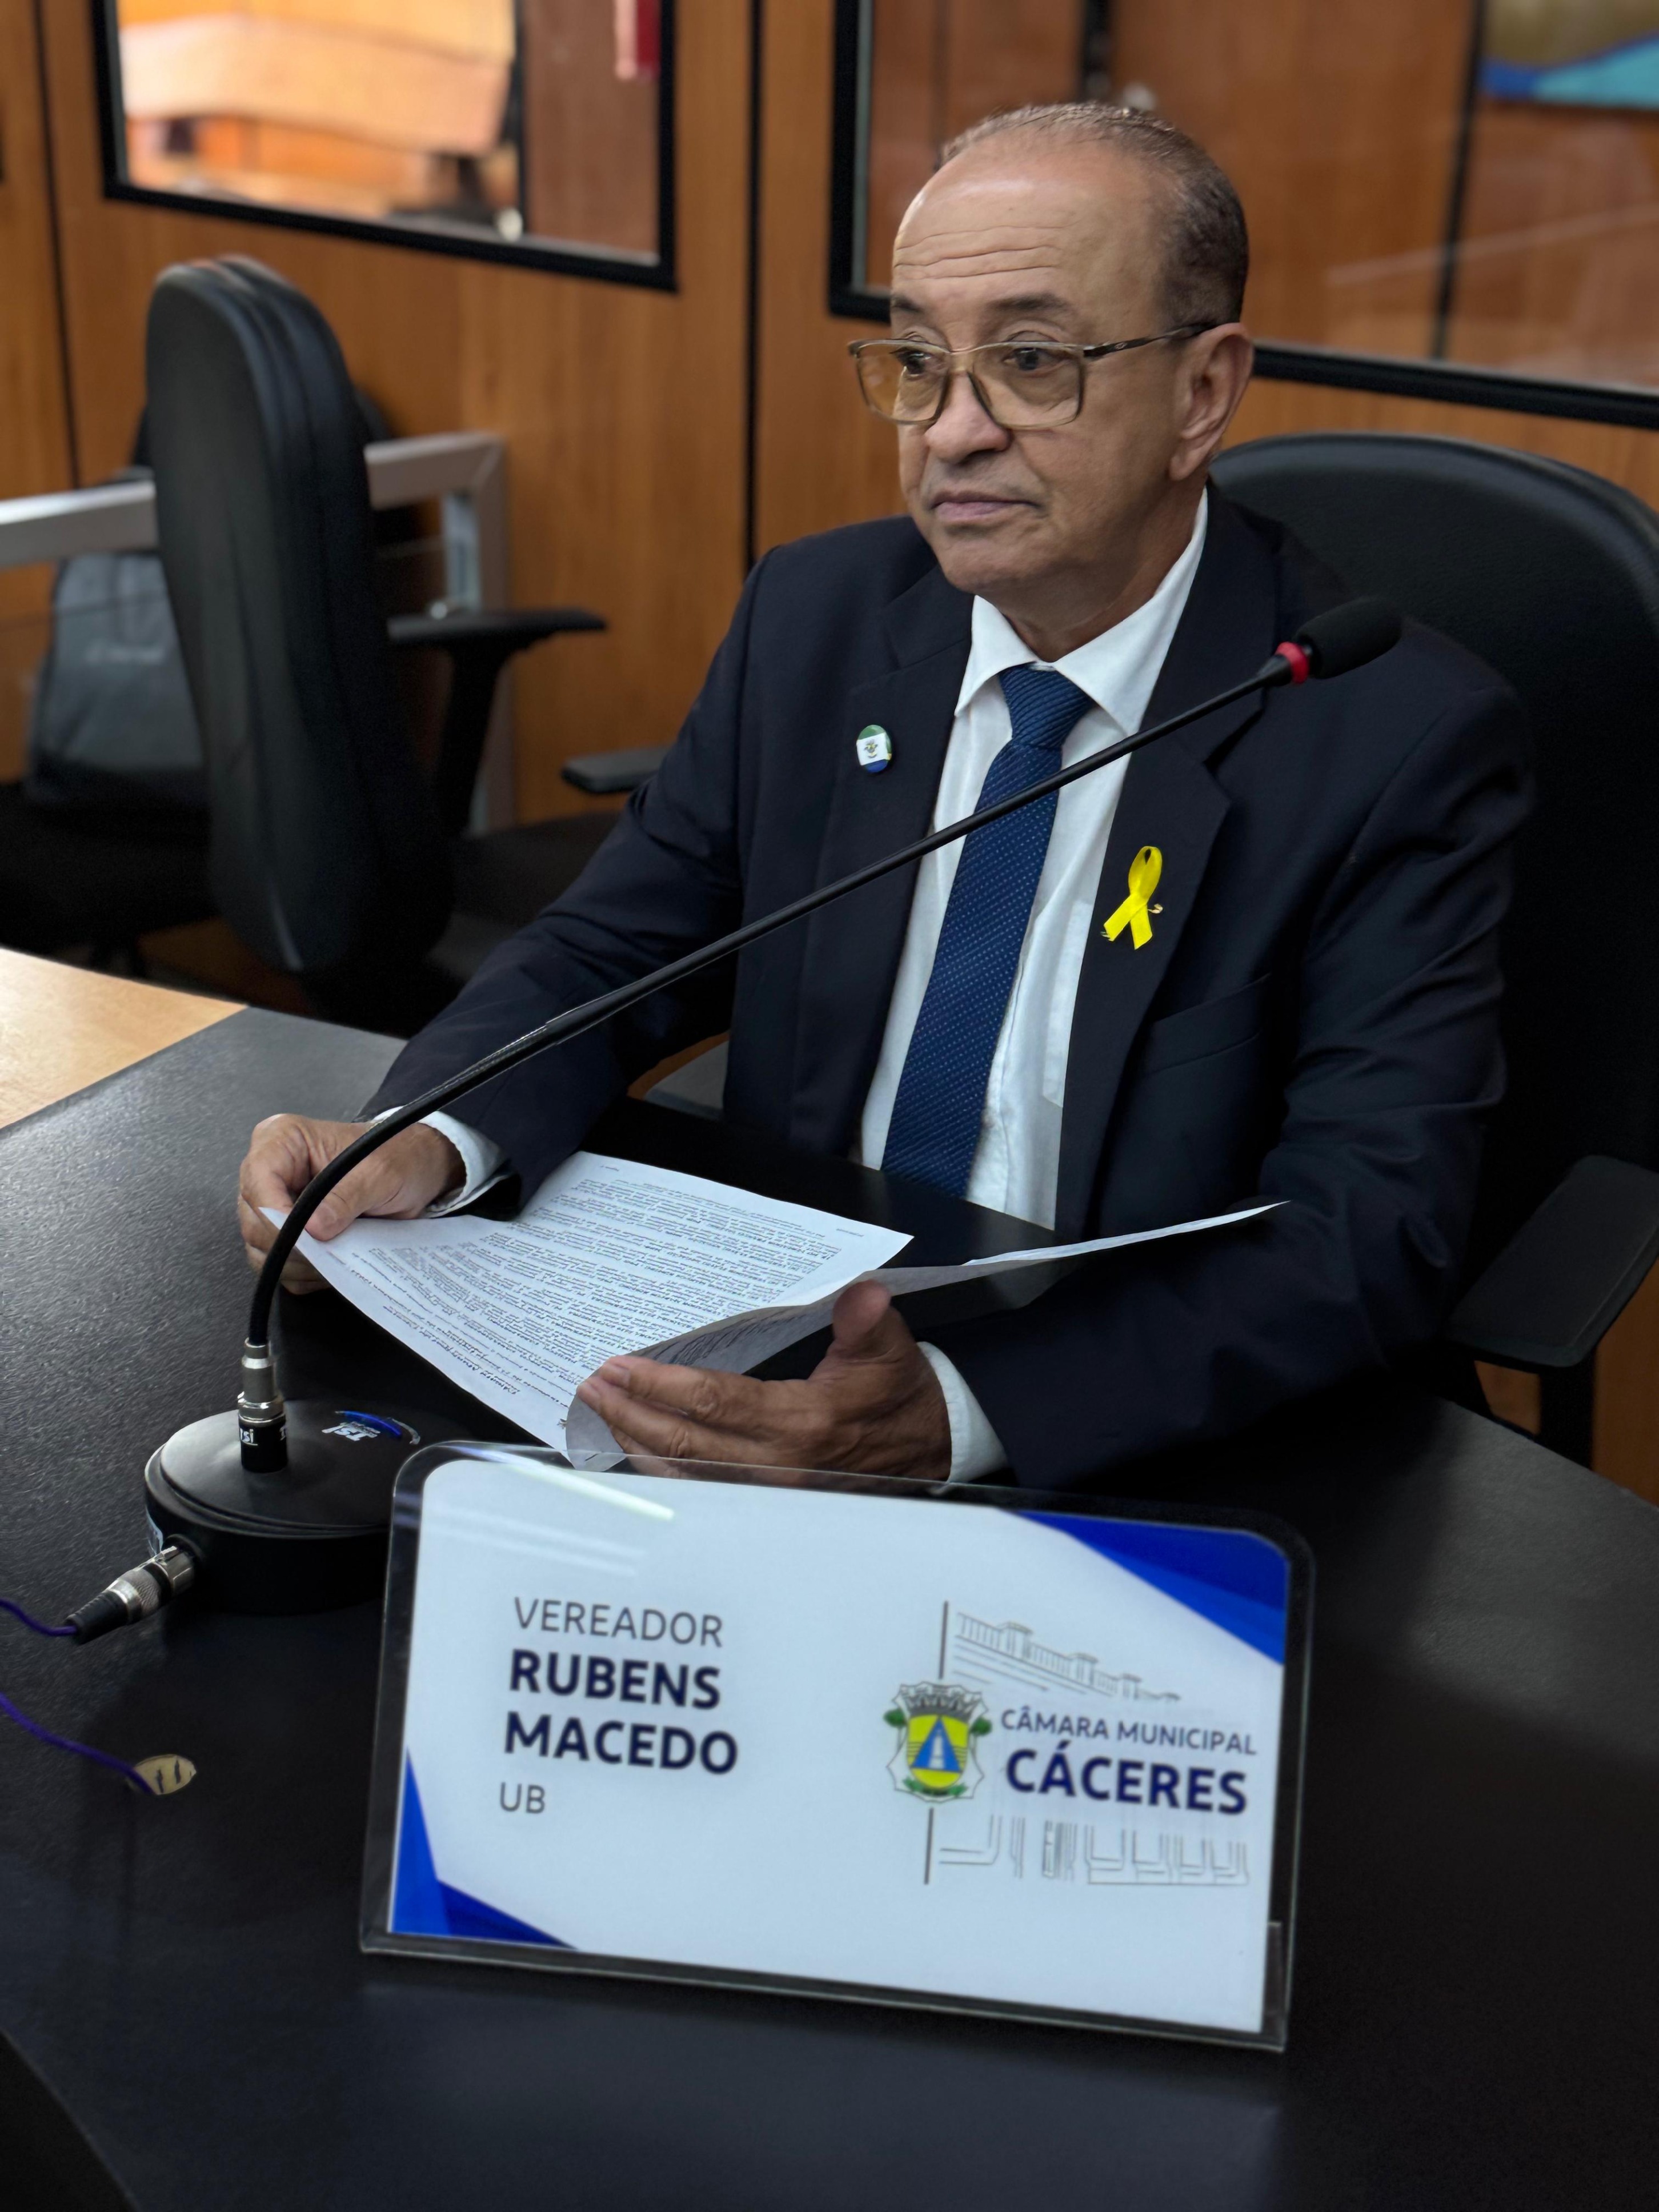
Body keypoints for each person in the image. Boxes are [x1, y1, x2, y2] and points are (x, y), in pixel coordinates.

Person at [239, 103, 1528, 1489]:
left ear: (1202, 393)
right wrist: (425, 1137)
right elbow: (613, 947)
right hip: (785, 1358)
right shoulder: (818, 618)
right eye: (918, 361)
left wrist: (965, 1417)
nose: (952, 431)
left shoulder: (1391, 737)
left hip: (1136, 1424)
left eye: (1030, 362)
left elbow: (1362, 1228)